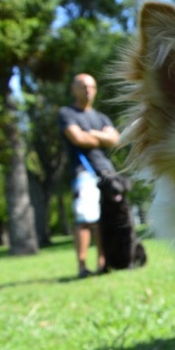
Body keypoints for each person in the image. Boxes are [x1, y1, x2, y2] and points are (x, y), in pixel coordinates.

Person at [58, 73, 121, 278]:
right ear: (73, 89)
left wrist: (91, 134)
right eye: (84, 86)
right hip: (84, 172)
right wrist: (101, 136)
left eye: (92, 86)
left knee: (104, 219)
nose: (89, 90)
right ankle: (82, 266)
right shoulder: (67, 113)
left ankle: (104, 262)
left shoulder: (101, 117)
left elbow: (115, 139)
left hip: (107, 172)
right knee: (85, 219)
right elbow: (78, 138)